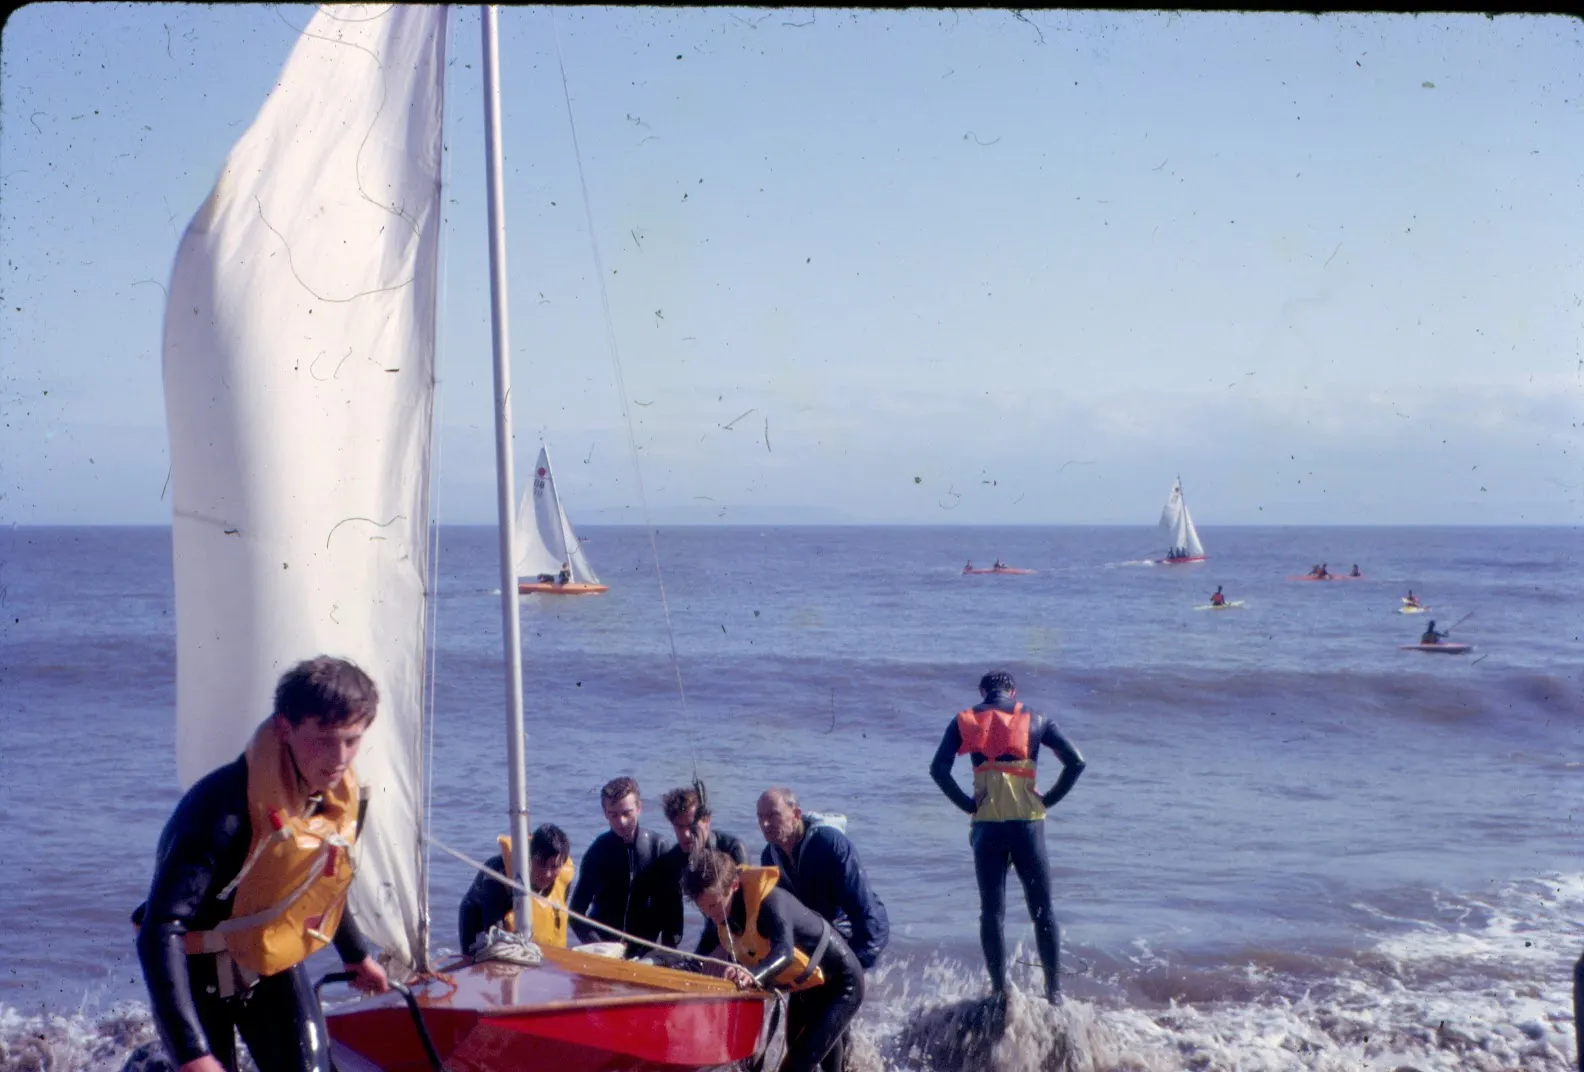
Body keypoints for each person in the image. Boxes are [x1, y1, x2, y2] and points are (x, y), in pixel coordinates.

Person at [133, 656, 390, 1072]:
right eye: (323, 738)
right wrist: (192, 1055)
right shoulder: (222, 810)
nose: (340, 757)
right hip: (196, 967)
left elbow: (321, 883)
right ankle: (156, 1063)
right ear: (285, 727)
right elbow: (158, 931)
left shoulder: (334, 799)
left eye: (352, 740)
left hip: (265, 958)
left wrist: (355, 955)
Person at [930, 669, 1086, 1004]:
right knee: (1042, 909)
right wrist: (1050, 799)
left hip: (988, 827)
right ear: (1013, 692)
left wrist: (968, 805)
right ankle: (1054, 993)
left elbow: (937, 770)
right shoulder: (1036, 718)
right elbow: (1076, 762)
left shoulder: (965, 720)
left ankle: (1000, 991)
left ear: (982, 691)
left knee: (991, 912)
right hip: (1028, 825)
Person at [686, 849, 864, 1072]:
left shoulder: (770, 902)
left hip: (842, 983)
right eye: (703, 909)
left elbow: (784, 953)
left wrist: (752, 974)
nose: (710, 915)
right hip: (808, 987)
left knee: (795, 1066)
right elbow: (710, 955)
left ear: (733, 886)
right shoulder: (722, 913)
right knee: (809, 1056)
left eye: (713, 906)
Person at [757, 788, 889, 971]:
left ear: (796, 814)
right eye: (760, 817)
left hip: (853, 933)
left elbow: (866, 913)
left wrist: (856, 967)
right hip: (819, 936)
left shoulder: (830, 845)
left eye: (773, 815)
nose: (765, 823)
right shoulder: (769, 857)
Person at [568, 776, 669, 953]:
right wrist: (598, 946)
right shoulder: (597, 852)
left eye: (626, 813)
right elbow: (575, 914)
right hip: (603, 945)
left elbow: (672, 911)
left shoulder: (658, 848)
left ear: (639, 808)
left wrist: (669, 952)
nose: (621, 821)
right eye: (613, 814)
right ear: (605, 812)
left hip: (644, 948)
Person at [648, 786, 748, 952]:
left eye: (691, 825)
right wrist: (667, 957)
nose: (687, 834)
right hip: (711, 930)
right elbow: (671, 926)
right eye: (679, 827)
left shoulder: (733, 849)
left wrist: (725, 952)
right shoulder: (672, 861)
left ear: (707, 820)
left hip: (742, 932)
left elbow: (747, 909)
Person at [457, 823, 574, 954]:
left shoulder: (563, 878)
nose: (547, 874)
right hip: (479, 918)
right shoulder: (499, 874)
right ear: (529, 857)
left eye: (554, 867)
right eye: (541, 864)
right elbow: (494, 933)